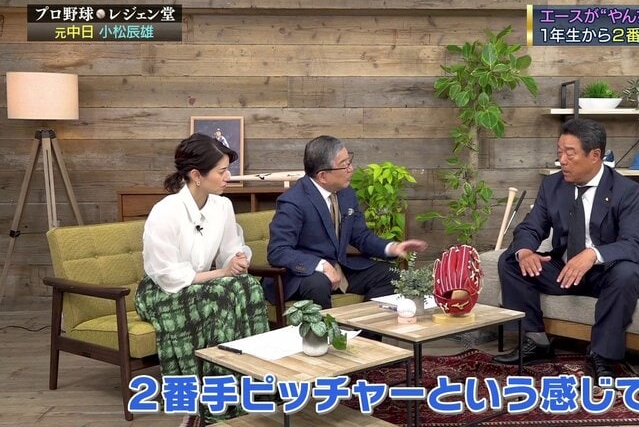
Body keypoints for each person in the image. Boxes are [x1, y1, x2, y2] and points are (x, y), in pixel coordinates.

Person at [493, 118, 639, 380]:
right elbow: (531, 227)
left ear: (595, 155)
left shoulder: (627, 191)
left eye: (570, 154)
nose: (562, 160)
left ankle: (601, 356)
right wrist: (525, 251)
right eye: (559, 152)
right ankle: (536, 341)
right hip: (567, 270)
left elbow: (635, 243)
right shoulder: (553, 185)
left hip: (608, 272)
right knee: (511, 260)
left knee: (627, 273)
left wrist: (593, 254)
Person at [135, 133, 269, 423]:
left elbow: (230, 251)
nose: (228, 177)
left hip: (206, 283)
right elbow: (168, 275)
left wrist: (238, 259)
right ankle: (216, 399)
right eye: (222, 171)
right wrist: (222, 273)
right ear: (197, 175)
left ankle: (252, 385)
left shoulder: (222, 206)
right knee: (222, 294)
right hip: (162, 291)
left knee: (249, 286)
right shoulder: (165, 212)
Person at [266, 135, 428, 309]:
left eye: (349, 161)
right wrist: (321, 266)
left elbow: (360, 236)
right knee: (318, 283)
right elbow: (278, 251)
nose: (351, 169)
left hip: (340, 268)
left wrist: (392, 248)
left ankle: (362, 325)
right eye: (344, 164)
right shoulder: (294, 201)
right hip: (303, 275)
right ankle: (328, 328)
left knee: (391, 275)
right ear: (323, 176)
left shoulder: (346, 193)